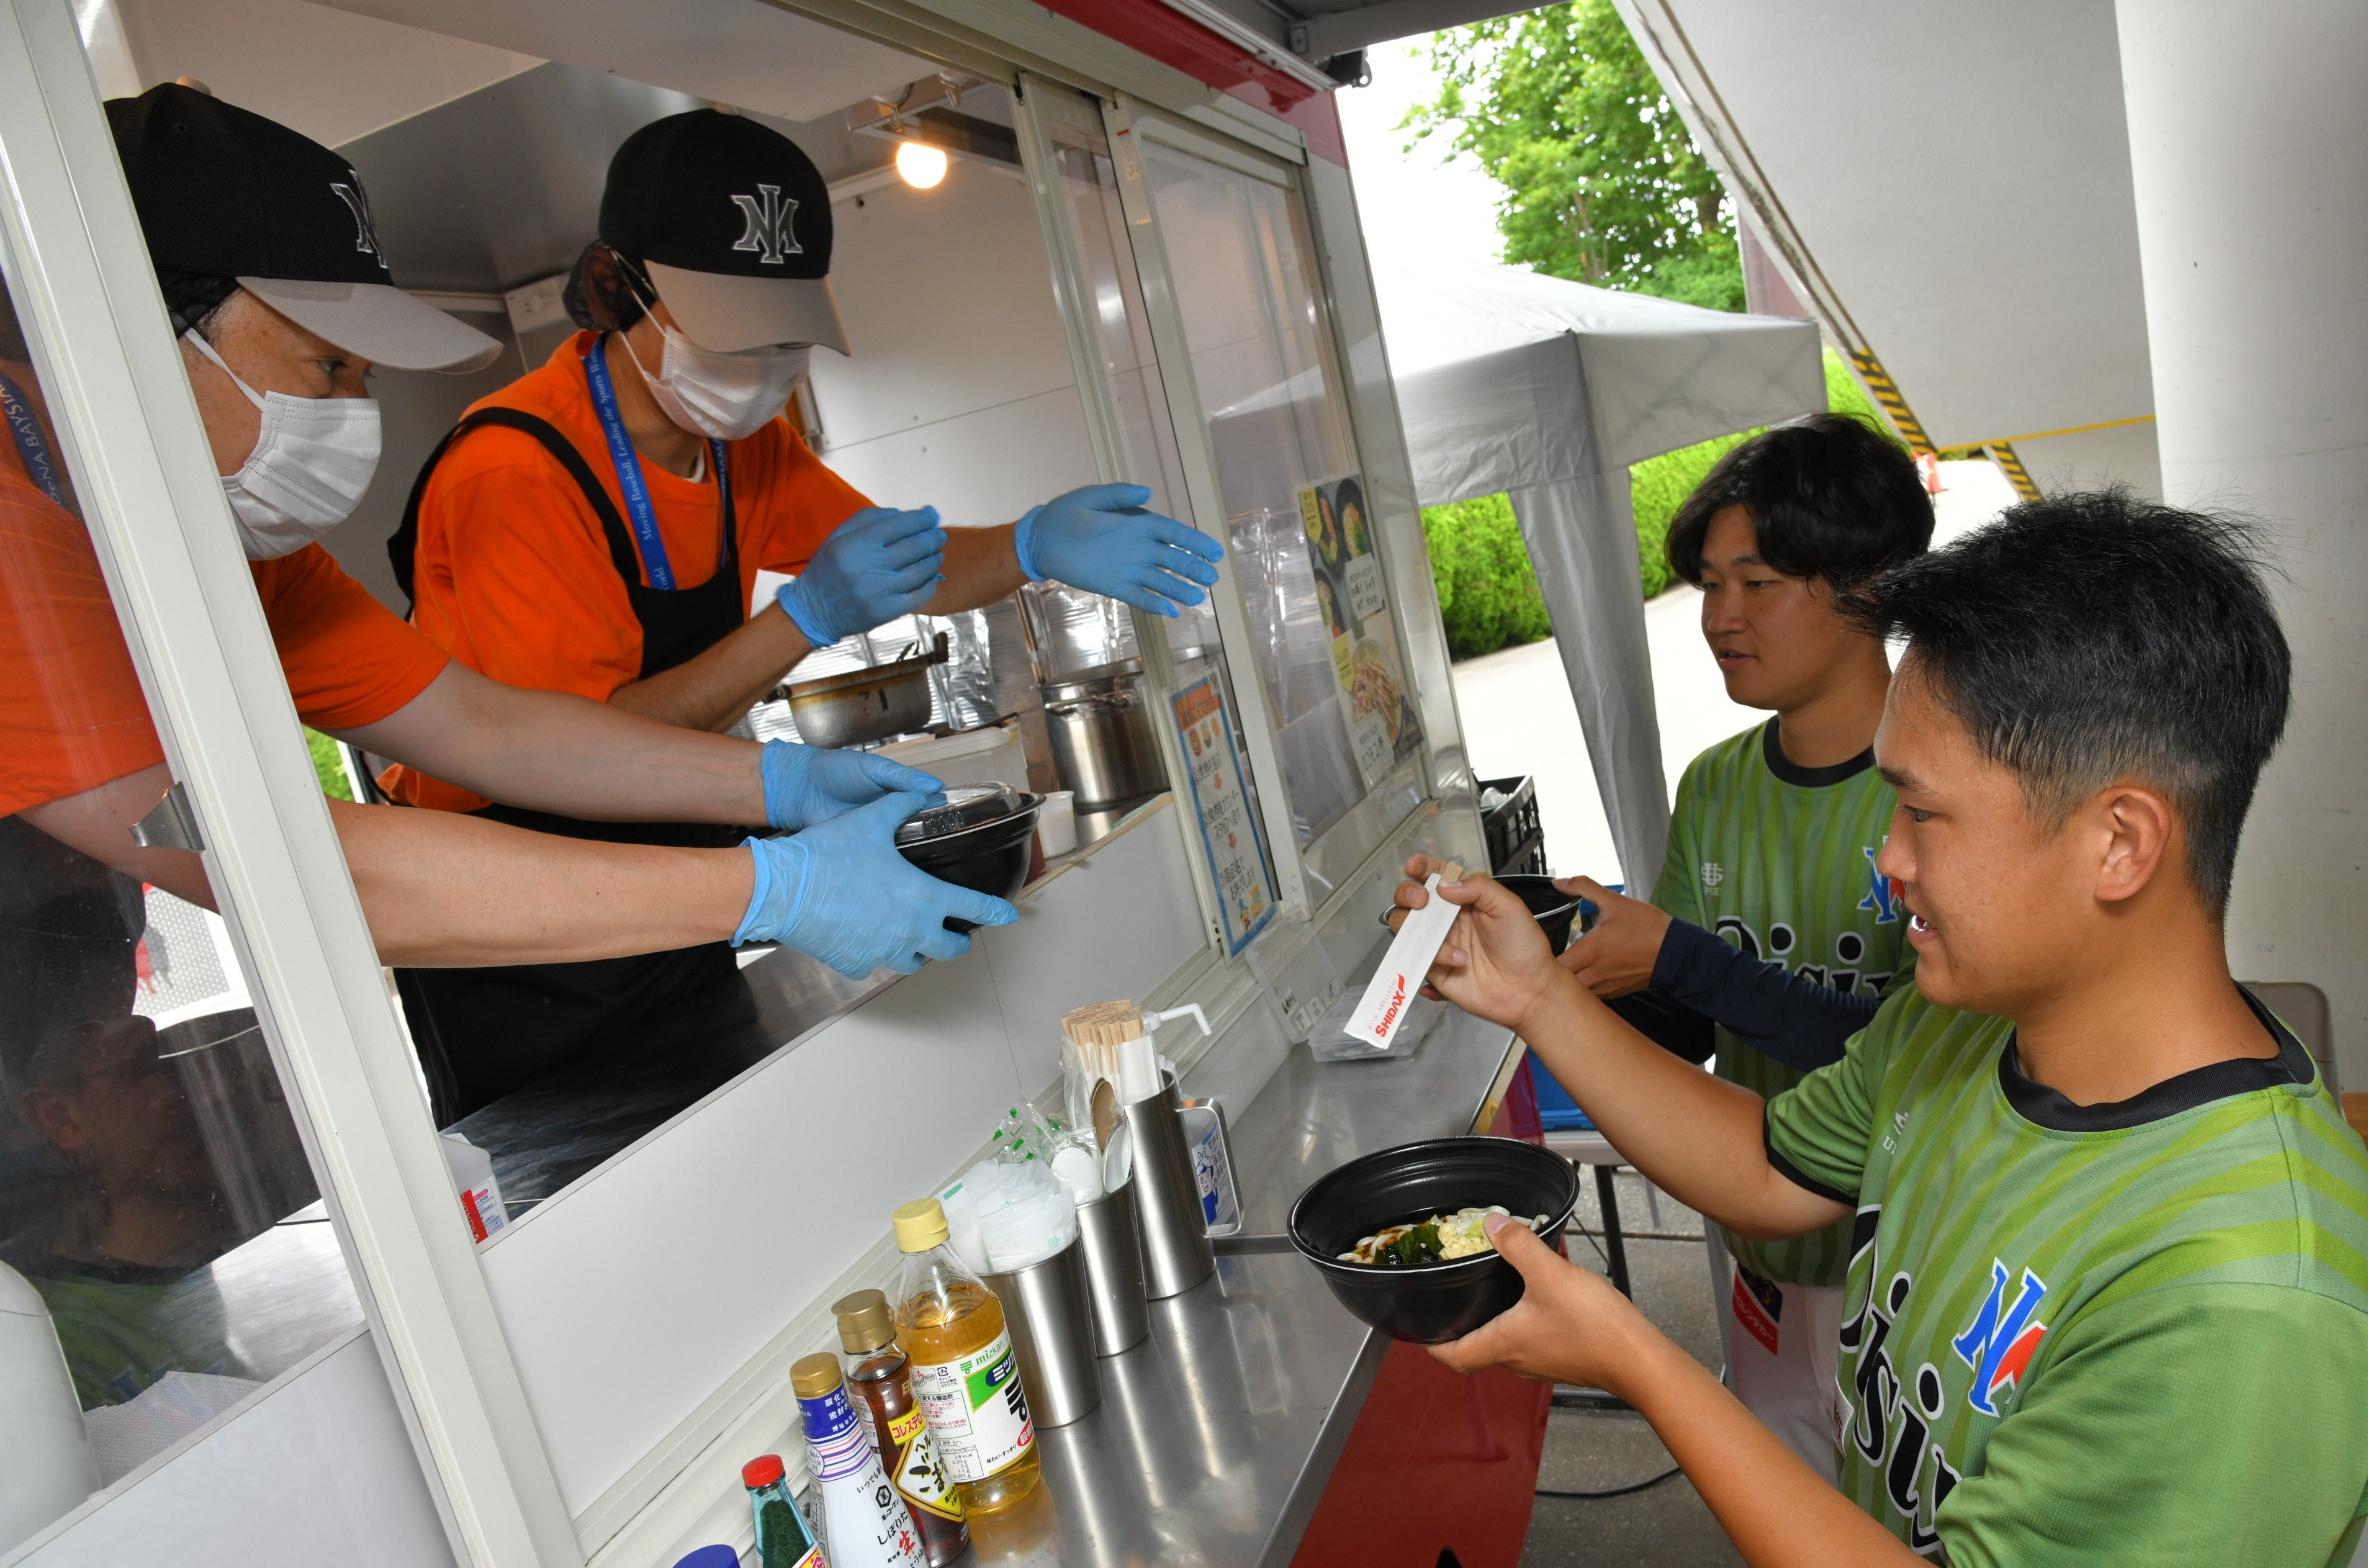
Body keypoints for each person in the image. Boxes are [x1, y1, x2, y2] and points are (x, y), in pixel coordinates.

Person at [1398, 495, 2368, 1566]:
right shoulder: (1962, 1027)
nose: (1888, 858)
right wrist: (1541, 998)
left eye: (1920, 810)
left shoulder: (2244, 1301)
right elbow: (1767, 1163)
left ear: (2120, 842)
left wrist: (1635, 1356)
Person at [4, 83, 1012, 986]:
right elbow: (275, 861)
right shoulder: (15, 537)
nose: (359, 412)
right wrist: (773, 889)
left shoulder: (234, 552)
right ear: (130, 330)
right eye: (328, 369)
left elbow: (487, 727)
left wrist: (778, 781)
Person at [382, 106, 1225, 1111]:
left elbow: (907, 564)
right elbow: (573, 756)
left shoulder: (743, 444)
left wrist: (1031, 543)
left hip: (679, 887)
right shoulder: (513, 474)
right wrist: (802, 623)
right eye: (734, 331)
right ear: (617, 288)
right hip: (519, 941)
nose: (767, 367)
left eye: (785, 337)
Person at [1548, 414, 1932, 1477]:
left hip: (1903, 1260)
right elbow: (1687, 1021)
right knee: (1783, 1502)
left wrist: (1684, 959)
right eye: (1709, 584)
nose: (1719, 616)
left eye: (1756, 583)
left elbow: (1921, 1056)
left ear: (1867, 583)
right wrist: (1555, 969)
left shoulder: (1945, 785)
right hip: (1758, 1249)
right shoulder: (1718, 783)